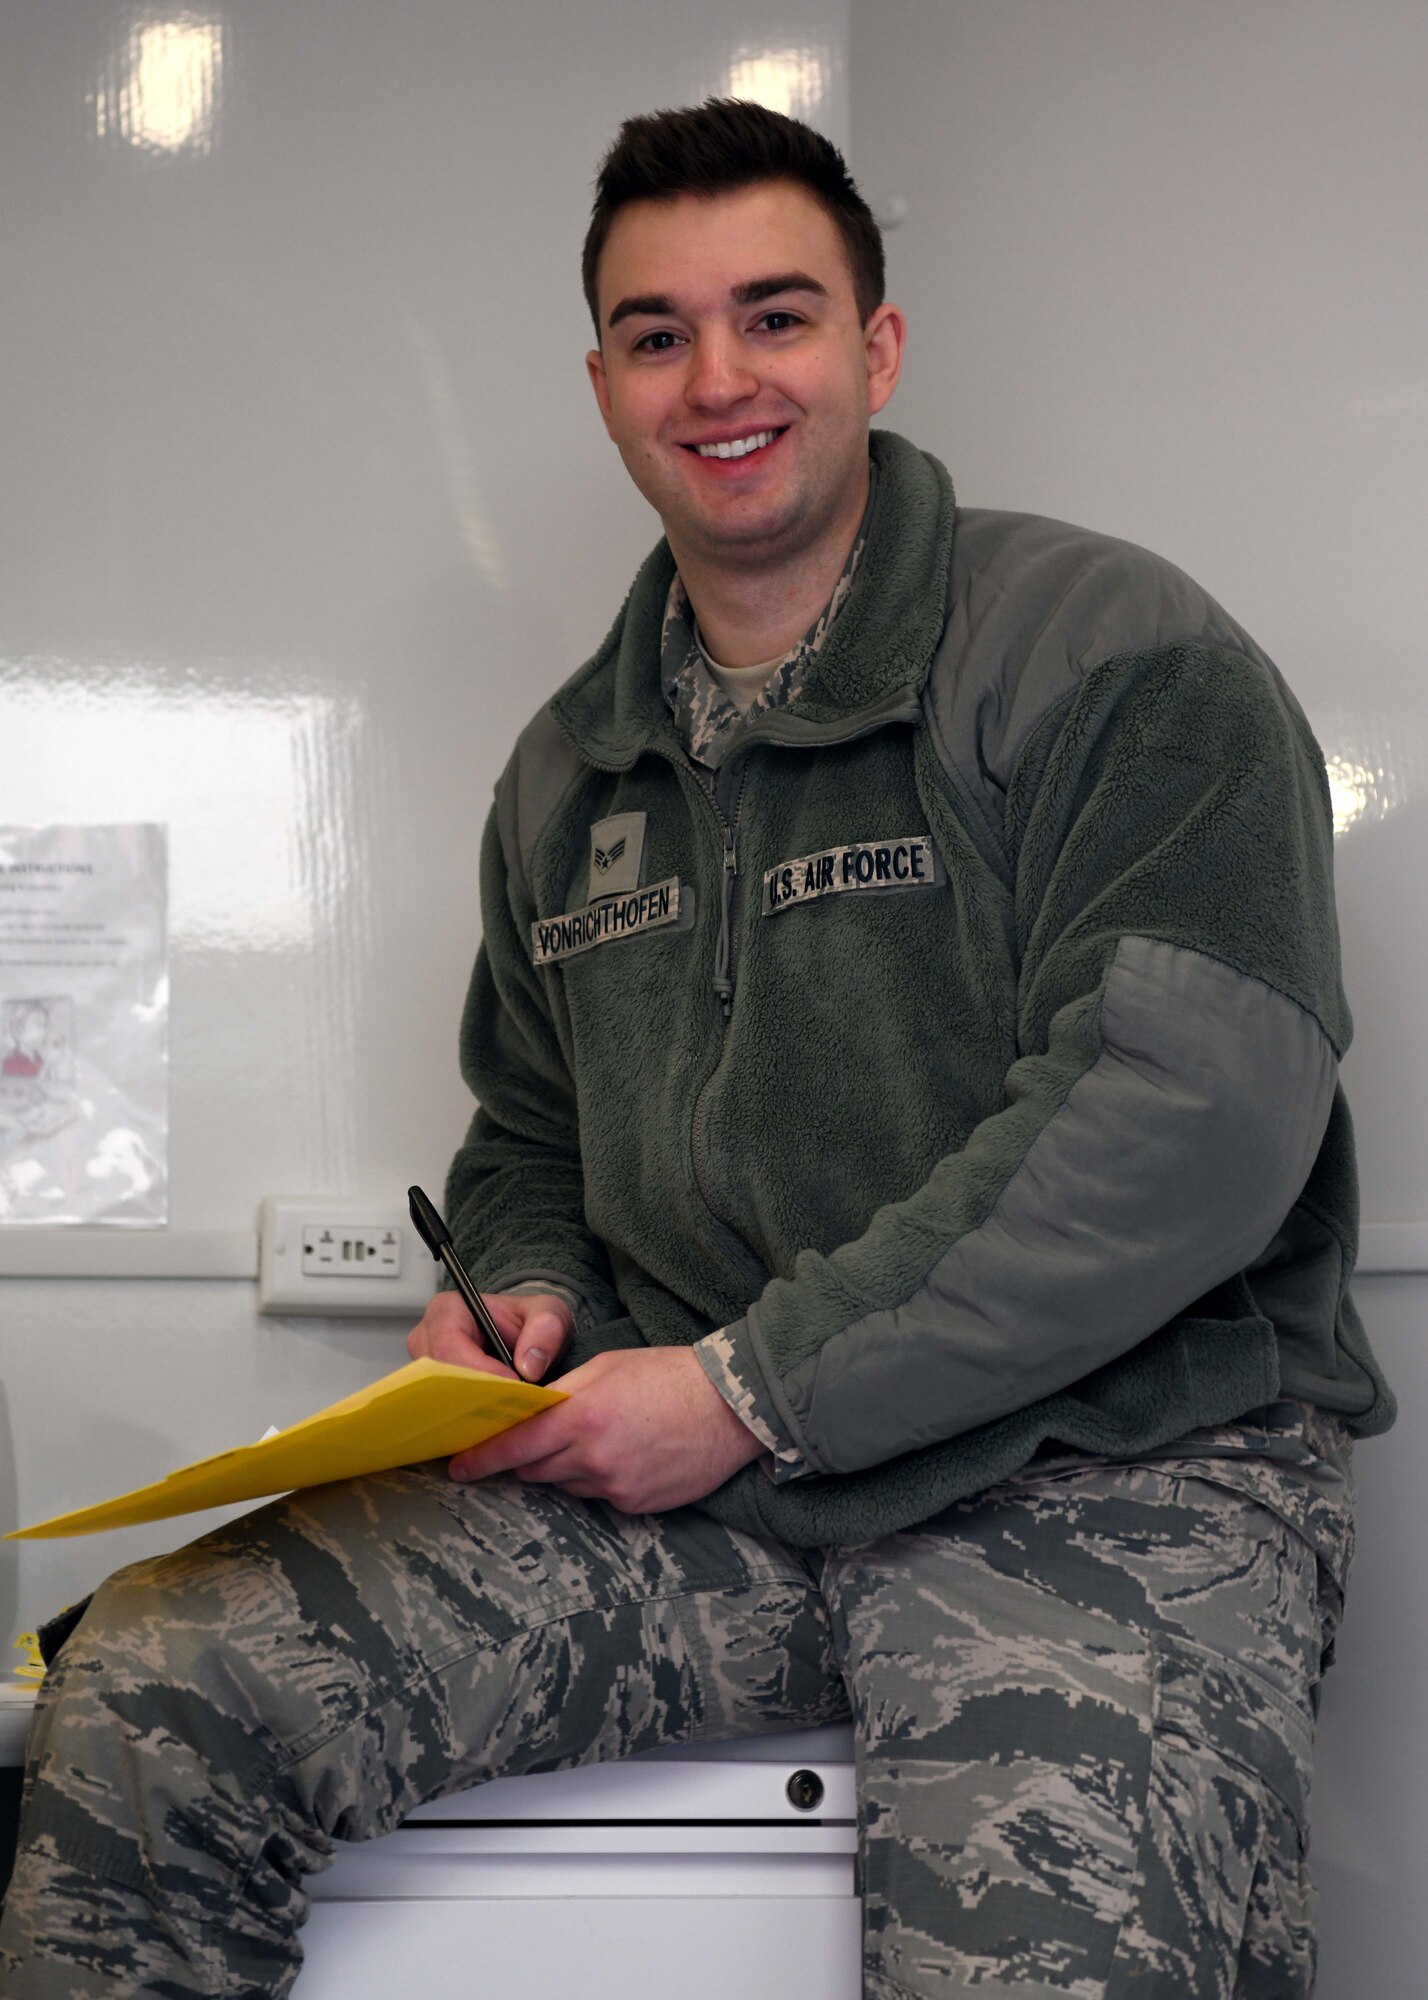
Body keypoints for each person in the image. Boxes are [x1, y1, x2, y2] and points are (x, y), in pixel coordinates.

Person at [0, 99, 1395, 1999]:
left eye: (777, 315)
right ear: (603, 384)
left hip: (1106, 1478)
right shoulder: (571, 772)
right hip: (714, 1503)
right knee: (155, 1689)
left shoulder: (1114, 652)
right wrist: (520, 1297)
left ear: (877, 347)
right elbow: (528, 1134)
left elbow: (1193, 1120)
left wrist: (745, 1385)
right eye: (659, 334)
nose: (718, 377)